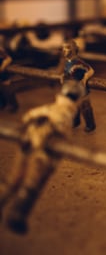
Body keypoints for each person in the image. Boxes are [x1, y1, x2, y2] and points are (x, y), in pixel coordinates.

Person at [0, 81, 84, 234]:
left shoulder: (49, 107)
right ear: (78, 100)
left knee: (14, 177)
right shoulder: (66, 113)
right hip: (42, 151)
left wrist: (26, 130)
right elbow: (61, 130)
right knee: (32, 183)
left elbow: (29, 115)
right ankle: (17, 214)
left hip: (27, 142)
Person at [59, 40, 96, 132]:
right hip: (72, 87)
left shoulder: (78, 62)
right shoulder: (67, 62)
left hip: (81, 88)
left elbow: (90, 70)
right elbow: (67, 72)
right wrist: (63, 76)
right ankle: (76, 122)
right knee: (74, 105)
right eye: (63, 48)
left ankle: (90, 125)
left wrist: (85, 78)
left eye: (67, 48)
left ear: (73, 50)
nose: (64, 50)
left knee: (85, 106)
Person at [0, 46, 18, 112]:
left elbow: (9, 59)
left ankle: (13, 106)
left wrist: (3, 66)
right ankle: (2, 105)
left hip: (3, 74)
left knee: (7, 90)